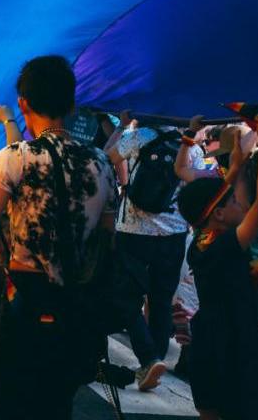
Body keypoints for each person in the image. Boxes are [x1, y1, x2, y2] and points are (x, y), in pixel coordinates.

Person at [0, 55, 118, 420]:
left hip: (24, 304)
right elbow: (107, 239)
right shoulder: (101, 163)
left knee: (11, 407)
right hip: (77, 304)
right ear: (71, 104)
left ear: (23, 103)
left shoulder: (14, 159)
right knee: (57, 405)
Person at [103, 112, 202, 390]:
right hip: (173, 233)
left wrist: (122, 124)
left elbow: (106, 159)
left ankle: (149, 359)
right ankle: (154, 360)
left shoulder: (137, 137)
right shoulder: (190, 145)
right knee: (160, 300)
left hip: (133, 232)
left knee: (126, 297)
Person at [176, 120, 258, 420]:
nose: (243, 204)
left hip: (207, 340)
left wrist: (237, 167)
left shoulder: (202, 241)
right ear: (220, 214)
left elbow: (223, 195)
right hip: (233, 343)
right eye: (238, 203)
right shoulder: (226, 246)